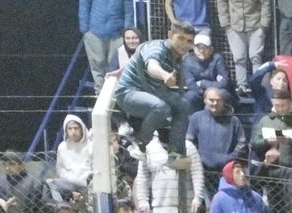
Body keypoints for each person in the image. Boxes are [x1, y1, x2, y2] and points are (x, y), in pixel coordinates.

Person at [115, 20, 197, 148]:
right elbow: (152, 65)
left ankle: (175, 156)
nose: (184, 44)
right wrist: (164, 75)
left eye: (189, 41)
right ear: (170, 35)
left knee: (183, 105)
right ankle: (140, 144)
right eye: (181, 38)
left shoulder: (178, 57)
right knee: (160, 107)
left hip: (152, 91)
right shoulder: (157, 48)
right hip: (128, 93)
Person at [186, 88, 246, 202]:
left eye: (218, 100)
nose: (214, 103)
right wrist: (197, 159)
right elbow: (189, 142)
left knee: (226, 202)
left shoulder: (233, 120)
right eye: (211, 100)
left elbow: (242, 142)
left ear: (223, 101)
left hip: (226, 171)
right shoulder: (196, 118)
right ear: (205, 100)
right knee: (202, 205)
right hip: (202, 170)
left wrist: (230, 159)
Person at [182, 31, 232, 111]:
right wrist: (204, 93)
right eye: (198, 48)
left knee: (223, 93)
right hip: (198, 92)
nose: (201, 51)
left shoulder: (218, 59)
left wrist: (203, 83)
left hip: (216, 91)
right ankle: (193, 120)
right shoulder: (188, 61)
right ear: (194, 48)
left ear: (210, 49)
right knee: (189, 96)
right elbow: (190, 83)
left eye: (204, 48)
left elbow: (224, 82)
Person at [80, 0, 125, 89]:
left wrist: (127, 29)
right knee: (97, 68)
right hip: (94, 33)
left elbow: (129, 10)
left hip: (117, 34)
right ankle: (100, 96)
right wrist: (85, 29)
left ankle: (115, 98)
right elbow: (84, 7)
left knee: (116, 67)